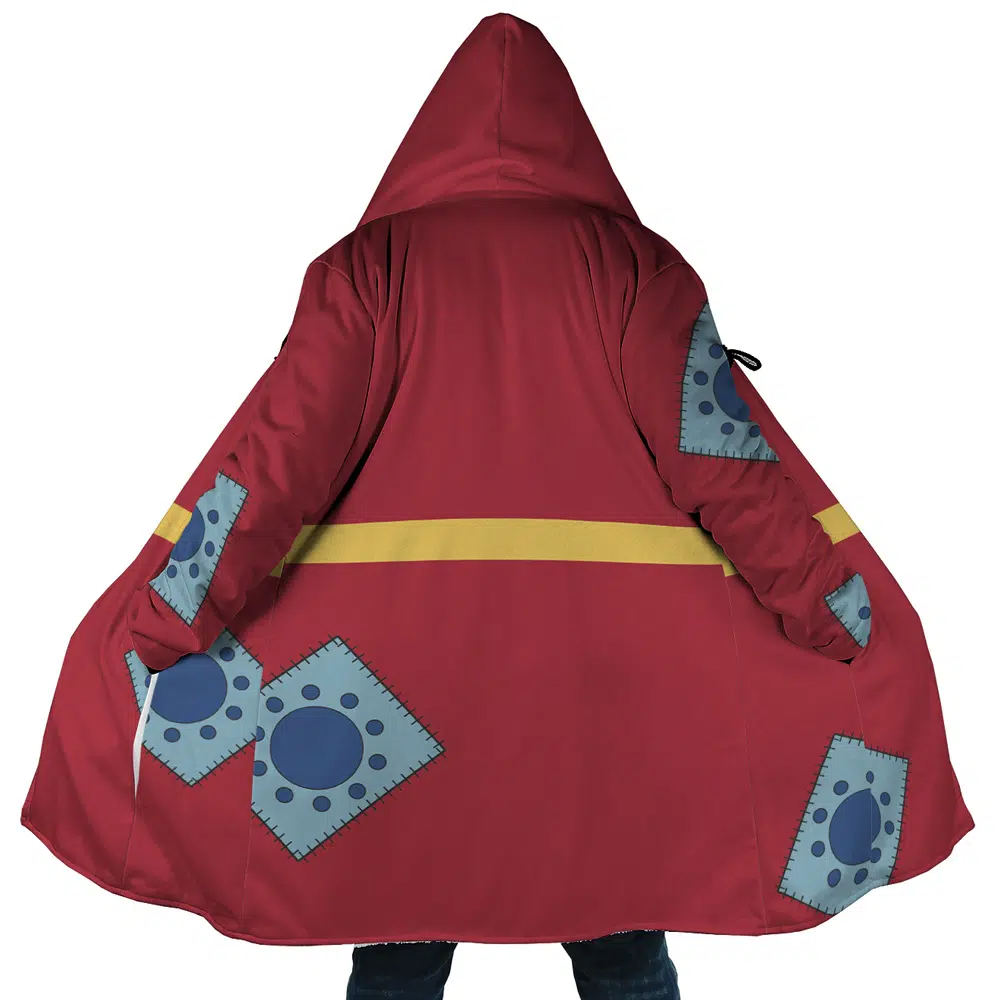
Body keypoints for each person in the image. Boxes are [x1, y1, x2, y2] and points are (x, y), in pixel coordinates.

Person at [22, 11, 973, 1000]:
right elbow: (727, 472)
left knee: (396, 938)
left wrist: (162, 620)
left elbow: (271, 473)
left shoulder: (368, 271)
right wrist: (835, 614)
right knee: (621, 940)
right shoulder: (636, 269)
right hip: (600, 688)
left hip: (398, 686)